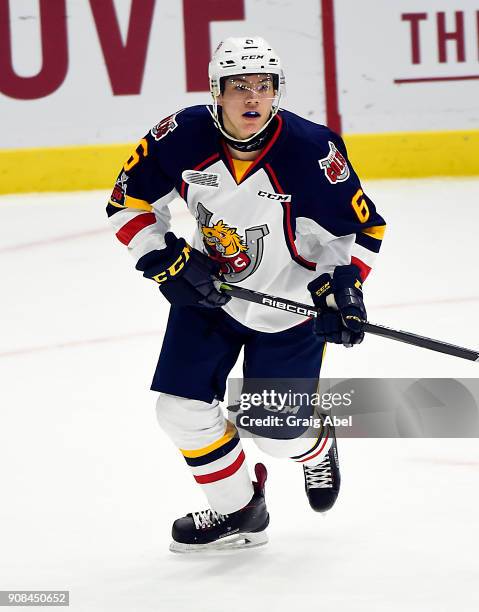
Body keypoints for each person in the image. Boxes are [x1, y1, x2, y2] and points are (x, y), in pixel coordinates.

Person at [107, 37, 386, 552]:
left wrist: (342, 288)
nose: (252, 97)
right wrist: (164, 258)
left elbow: (360, 229)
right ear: (216, 90)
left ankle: (316, 442)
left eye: (264, 85)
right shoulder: (179, 135)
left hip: (290, 305)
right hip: (209, 293)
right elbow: (129, 202)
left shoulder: (311, 149)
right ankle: (240, 510)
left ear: (277, 91)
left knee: (276, 434)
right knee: (179, 411)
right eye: (239, 86)